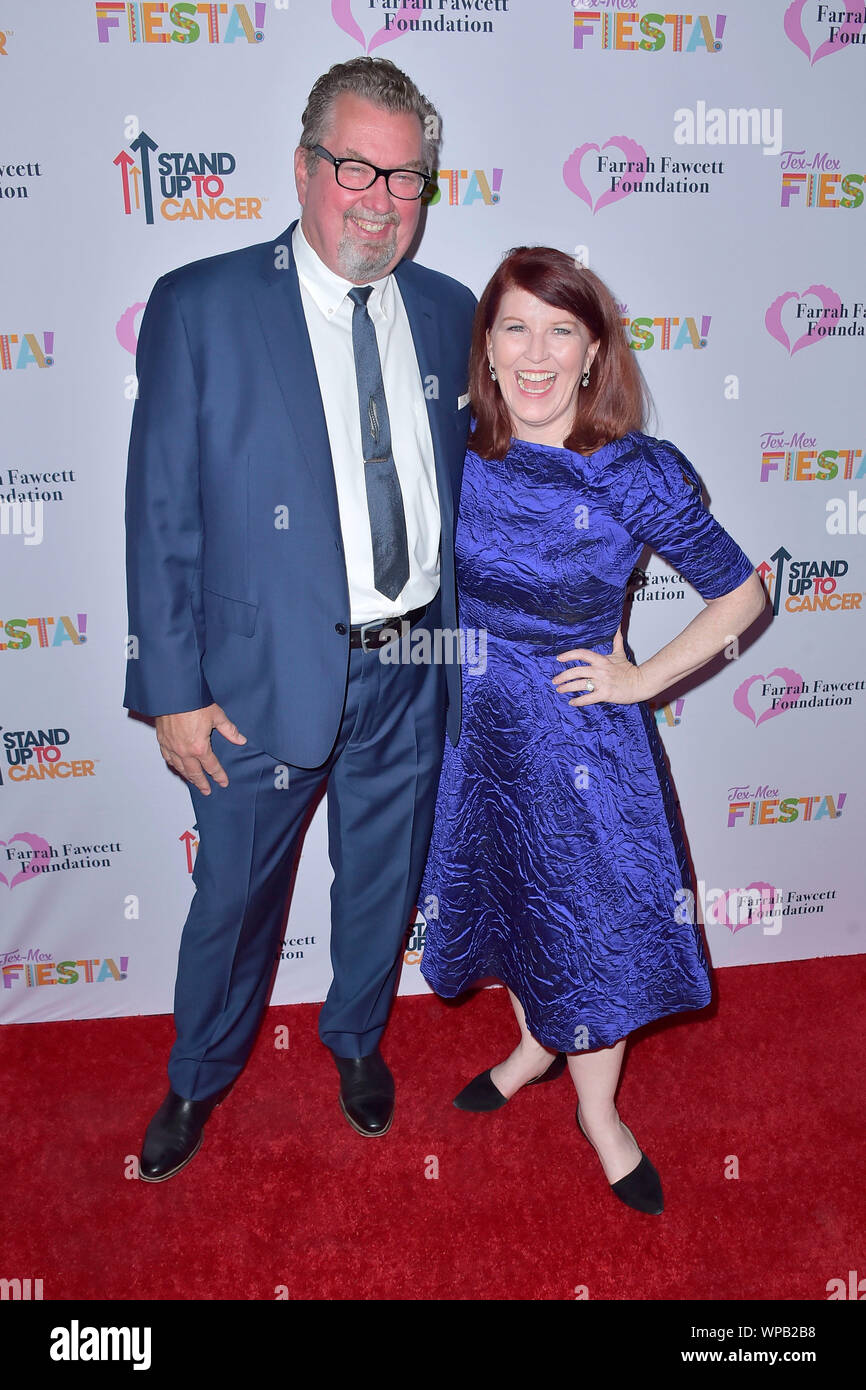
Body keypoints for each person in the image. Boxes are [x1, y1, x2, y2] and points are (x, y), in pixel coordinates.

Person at [123, 57, 476, 1181]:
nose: (378, 199)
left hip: (411, 660)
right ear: (302, 167)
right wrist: (171, 689)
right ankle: (195, 1075)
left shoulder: (448, 313)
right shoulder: (202, 305)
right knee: (231, 902)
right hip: (253, 678)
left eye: (405, 177)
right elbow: (161, 512)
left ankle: (356, 1041)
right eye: (354, 168)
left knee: (383, 881)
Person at [418, 246, 766, 1214]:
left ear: (591, 352)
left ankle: (598, 1115)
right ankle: (535, 1043)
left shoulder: (631, 472)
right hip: (474, 728)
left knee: (597, 932)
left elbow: (741, 591)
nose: (535, 354)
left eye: (559, 331)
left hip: (576, 736)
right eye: (514, 328)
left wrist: (641, 676)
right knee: (511, 905)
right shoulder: (456, 450)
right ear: (484, 349)